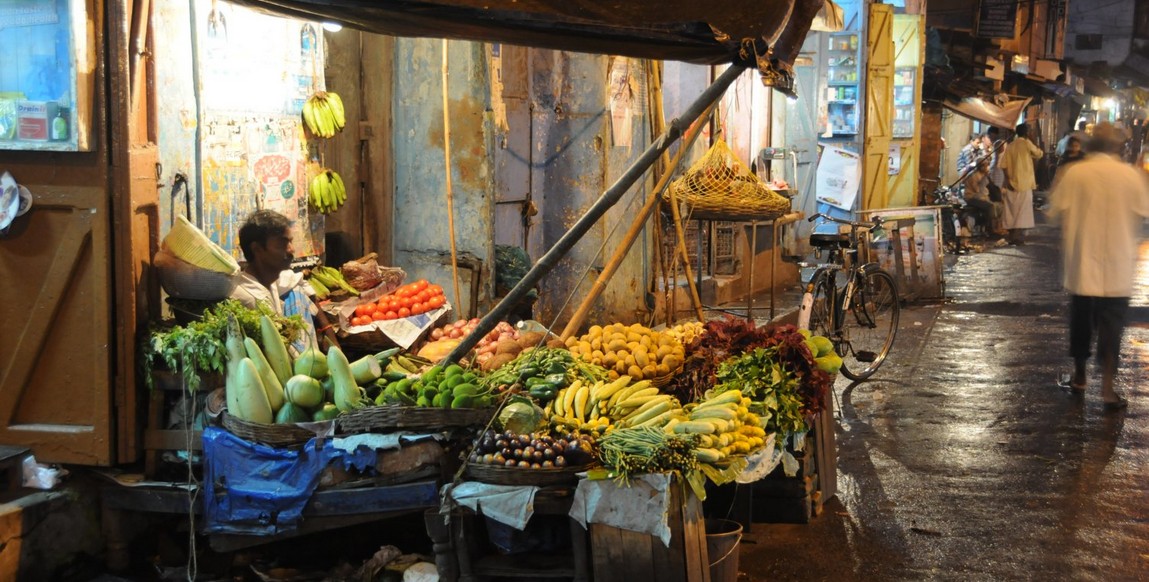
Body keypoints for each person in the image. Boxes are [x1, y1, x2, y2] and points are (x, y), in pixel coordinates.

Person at [1047, 122, 1149, 411]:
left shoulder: (1075, 173)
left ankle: (1079, 377)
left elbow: (1054, 211)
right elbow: (1144, 211)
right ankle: (1107, 390)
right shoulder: (1131, 176)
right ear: (1118, 147)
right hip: (1118, 265)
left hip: (1083, 263)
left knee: (1081, 321)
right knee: (1112, 327)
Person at [231, 209, 319, 351]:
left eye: (290, 242)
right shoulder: (248, 299)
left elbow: (299, 282)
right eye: (283, 244)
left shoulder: (271, 278)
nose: (291, 250)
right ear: (257, 249)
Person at [998, 123, 1043, 245]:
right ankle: (1016, 237)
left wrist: (1007, 180)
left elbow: (1004, 166)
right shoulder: (1027, 143)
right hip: (1024, 183)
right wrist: (1033, 140)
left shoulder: (1011, 145)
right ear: (1027, 132)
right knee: (1022, 211)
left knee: (1011, 210)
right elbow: (1039, 153)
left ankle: (1012, 235)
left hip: (1012, 183)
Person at [962, 159, 1002, 237]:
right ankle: (990, 229)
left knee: (998, 205)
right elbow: (977, 190)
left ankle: (997, 227)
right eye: (985, 165)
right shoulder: (974, 176)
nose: (987, 167)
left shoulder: (984, 175)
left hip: (980, 196)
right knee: (990, 207)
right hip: (971, 197)